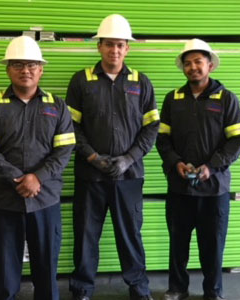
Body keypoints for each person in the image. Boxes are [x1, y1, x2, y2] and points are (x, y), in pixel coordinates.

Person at [0, 35, 75, 300]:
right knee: (4, 273)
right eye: (18, 64)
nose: (25, 70)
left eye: (32, 64)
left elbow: (64, 150)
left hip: (45, 201)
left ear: (41, 69)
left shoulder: (57, 106)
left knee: (46, 269)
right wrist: (19, 180)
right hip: (4, 202)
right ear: (7, 69)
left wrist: (38, 178)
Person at [66, 14, 159, 300]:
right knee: (85, 234)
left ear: (128, 48)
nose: (114, 51)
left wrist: (128, 159)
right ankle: (82, 288)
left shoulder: (141, 82)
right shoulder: (82, 81)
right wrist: (92, 157)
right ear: (99, 46)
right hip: (90, 175)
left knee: (130, 233)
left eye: (120, 45)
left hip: (129, 176)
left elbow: (151, 127)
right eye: (109, 45)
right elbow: (71, 127)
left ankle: (138, 287)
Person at [156, 39, 240, 300]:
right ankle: (177, 289)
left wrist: (212, 167)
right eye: (187, 63)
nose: (192, 67)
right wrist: (176, 163)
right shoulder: (173, 99)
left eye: (198, 62)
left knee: (213, 246)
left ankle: (213, 292)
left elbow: (236, 140)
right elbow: (163, 139)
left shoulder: (226, 99)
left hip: (214, 190)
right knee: (178, 245)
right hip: (180, 188)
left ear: (210, 65)